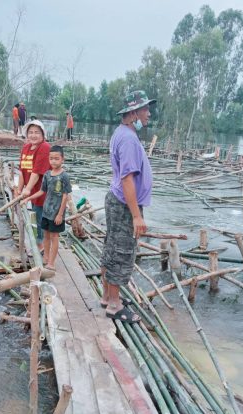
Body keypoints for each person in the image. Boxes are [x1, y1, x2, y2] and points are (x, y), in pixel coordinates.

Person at [100, 90, 156, 323]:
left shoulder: (122, 133)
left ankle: (107, 296)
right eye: (145, 109)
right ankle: (114, 304)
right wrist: (136, 216)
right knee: (121, 252)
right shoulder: (129, 139)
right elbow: (127, 178)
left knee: (111, 248)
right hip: (124, 204)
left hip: (117, 200)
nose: (148, 113)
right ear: (133, 113)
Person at [22, 145, 71, 270]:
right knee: (46, 235)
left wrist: (60, 214)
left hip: (56, 213)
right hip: (46, 210)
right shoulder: (47, 174)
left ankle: (52, 263)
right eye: (51, 158)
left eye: (57, 158)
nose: (54, 161)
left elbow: (65, 197)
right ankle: (46, 257)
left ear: (62, 159)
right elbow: (42, 191)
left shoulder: (64, 176)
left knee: (55, 237)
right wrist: (28, 198)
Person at [16, 120, 51, 252]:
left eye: (37, 132)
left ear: (43, 134)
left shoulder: (45, 147)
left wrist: (27, 189)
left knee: (40, 218)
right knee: (34, 217)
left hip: (43, 192)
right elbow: (22, 170)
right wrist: (19, 189)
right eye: (30, 132)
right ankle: (38, 242)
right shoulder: (26, 147)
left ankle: (41, 245)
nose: (33, 135)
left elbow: (36, 172)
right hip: (31, 192)